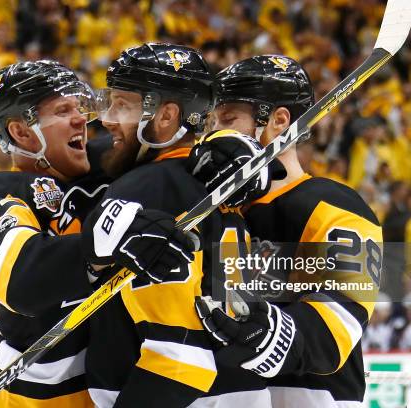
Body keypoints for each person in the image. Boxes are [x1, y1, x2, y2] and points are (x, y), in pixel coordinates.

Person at [0, 60, 192, 407]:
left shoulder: (109, 164)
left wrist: (219, 148)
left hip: (116, 393)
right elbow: (19, 281)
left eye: (80, 107)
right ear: (21, 133)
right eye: (63, 110)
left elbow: (167, 144)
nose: (83, 118)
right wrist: (99, 245)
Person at [81, 43, 276, 408]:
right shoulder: (213, 181)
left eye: (122, 104)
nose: (106, 119)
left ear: (167, 116)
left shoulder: (148, 187)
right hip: (238, 390)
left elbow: (181, 356)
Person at [189, 55, 383, 407]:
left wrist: (273, 332)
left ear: (279, 121)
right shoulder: (209, 208)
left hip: (311, 397)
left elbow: (338, 324)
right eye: (212, 121)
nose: (215, 133)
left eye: (230, 119)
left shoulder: (333, 204)